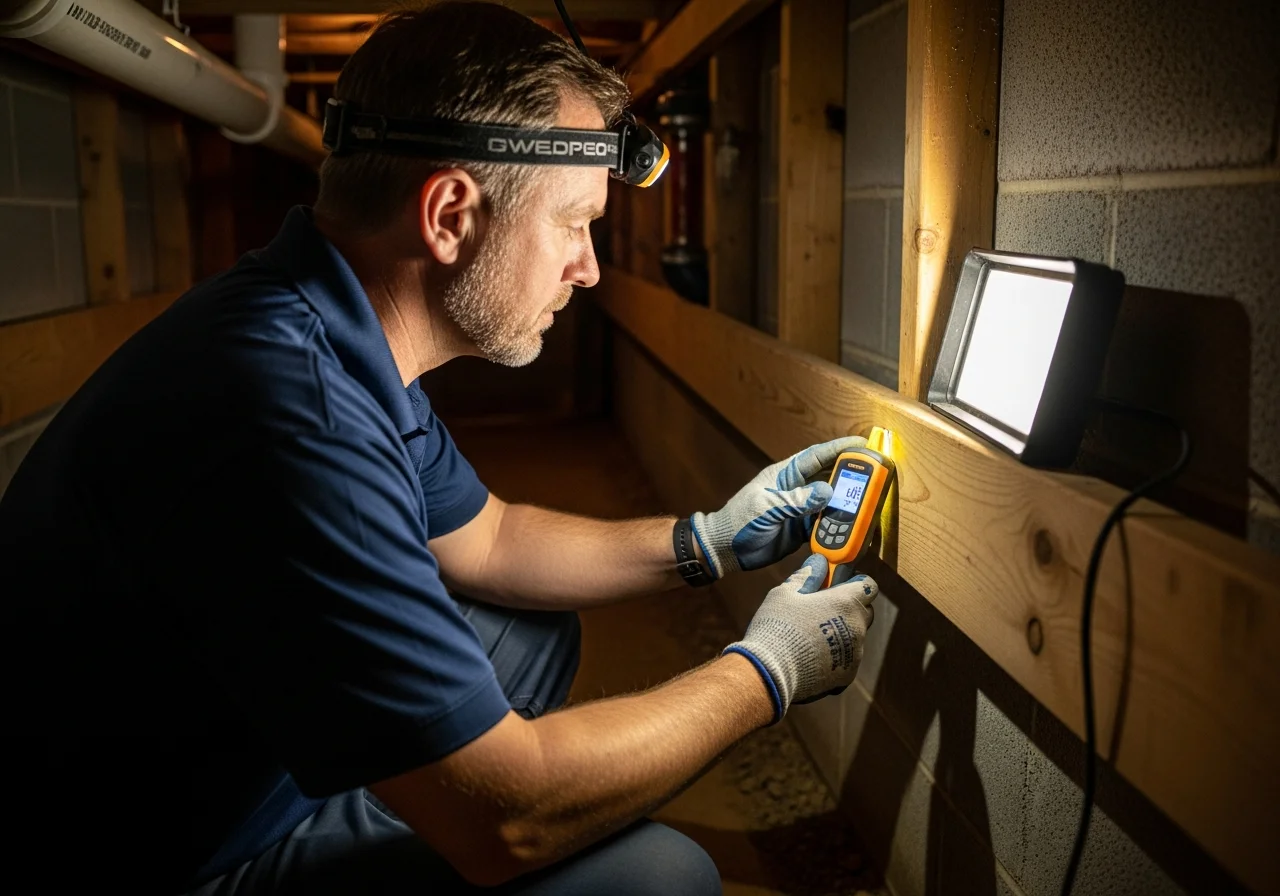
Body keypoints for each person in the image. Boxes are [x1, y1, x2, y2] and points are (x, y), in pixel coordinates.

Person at [0, 3, 878, 893]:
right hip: (149, 855)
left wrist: (708, 540)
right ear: (451, 213)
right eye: (573, 224)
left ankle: (425, 791)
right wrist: (766, 672)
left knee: (526, 632)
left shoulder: (321, 324)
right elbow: (514, 819)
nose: (589, 267)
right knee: (659, 879)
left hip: (221, 756)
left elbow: (491, 540)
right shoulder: (296, 414)